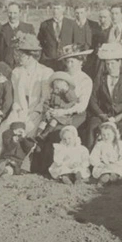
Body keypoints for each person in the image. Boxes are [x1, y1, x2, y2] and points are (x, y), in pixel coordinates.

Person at [0, 33, 53, 166]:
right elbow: (16, 97)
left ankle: (17, 162)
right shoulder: (17, 72)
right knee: (6, 127)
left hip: (36, 111)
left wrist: (36, 112)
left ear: (30, 56)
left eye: (21, 55)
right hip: (19, 109)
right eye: (17, 54)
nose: (17, 57)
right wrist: (17, 111)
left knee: (27, 130)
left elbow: (45, 98)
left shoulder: (45, 72)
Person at [32, 44, 94, 174]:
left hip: (76, 114)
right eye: (67, 61)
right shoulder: (60, 76)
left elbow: (81, 106)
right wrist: (49, 110)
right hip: (56, 111)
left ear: (81, 62)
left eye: (73, 61)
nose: (69, 64)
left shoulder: (85, 79)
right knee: (41, 126)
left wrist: (64, 112)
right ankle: (40, 165)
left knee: (58, 131)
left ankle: (59, 167)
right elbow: (51, 96)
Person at [87, 41, 122, 154]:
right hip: (104, 113)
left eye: (113, 64)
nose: (110, 67)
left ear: (119, 62)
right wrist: (101, 114)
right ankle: (92, 161)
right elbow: (92, 100)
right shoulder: (100, 79)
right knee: (93, 126)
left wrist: (119, 117)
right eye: (107, 64)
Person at [37, 2, 84, 71]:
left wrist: (70, 48)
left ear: (63, 9)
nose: (55, 11)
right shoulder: (45, 24)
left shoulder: (72, 24)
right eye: (54, 8)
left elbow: (78, 42)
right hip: (49, 62)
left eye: (58, 8)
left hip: (66, 62)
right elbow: (40, 42)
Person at [0, 2, 36, 70]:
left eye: (15, 13)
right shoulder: (0, 30)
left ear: (20, 13)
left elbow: (35, 50)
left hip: (24, 69)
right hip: (5, 69)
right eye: (10, 13)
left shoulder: (28, 28)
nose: (12, 16)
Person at [36, 71, 80, 138]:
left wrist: (66, 91)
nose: (57, 90)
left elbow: (72, 101)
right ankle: (38, 134)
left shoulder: (69, 94)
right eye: (55, 88)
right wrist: (47, 110)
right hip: (53, 111)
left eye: (59, 88)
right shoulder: (53, 94)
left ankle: (45, 134)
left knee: (54, 120)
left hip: (63, 115)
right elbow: (47, 102)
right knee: (44, 119)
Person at [75, 4, 101, 76]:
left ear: (86, 13)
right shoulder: (70, 25)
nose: (79, 15)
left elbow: (98, 42)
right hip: (76, 60)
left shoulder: (94, 25)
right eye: (77, 13)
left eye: (81, 13)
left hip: (91, 60)